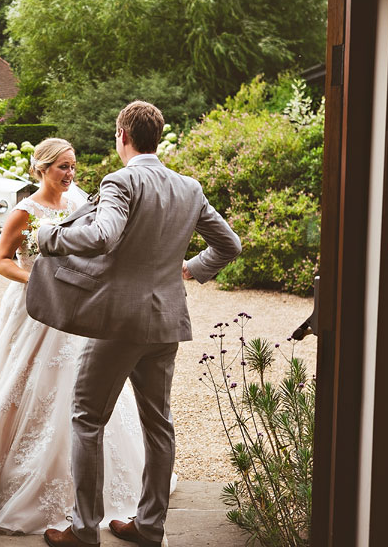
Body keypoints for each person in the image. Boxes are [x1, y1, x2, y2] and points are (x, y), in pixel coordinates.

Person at [0, 138, 174, 535]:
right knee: (27, 387)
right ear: (41, 168)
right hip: (35, 309)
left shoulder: (80, 202)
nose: (70, 174)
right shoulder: (24, 212)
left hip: (77, 311)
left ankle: (91, 496)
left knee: (83, 395)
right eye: (62, 167)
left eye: (73, 166)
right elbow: (0, 262)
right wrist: (41, 280)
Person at [33, 102, 242, 547]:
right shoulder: (188, 187)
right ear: (156, 137)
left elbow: (102, 235)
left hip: (120, 324)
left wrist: (47, 236)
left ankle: (84, 531)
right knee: (158, 423)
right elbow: (230, 245)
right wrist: (190, 268)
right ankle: (150, 528)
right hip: (166, 322)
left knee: (87, 418)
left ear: (122, 135)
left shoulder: (121, 181)